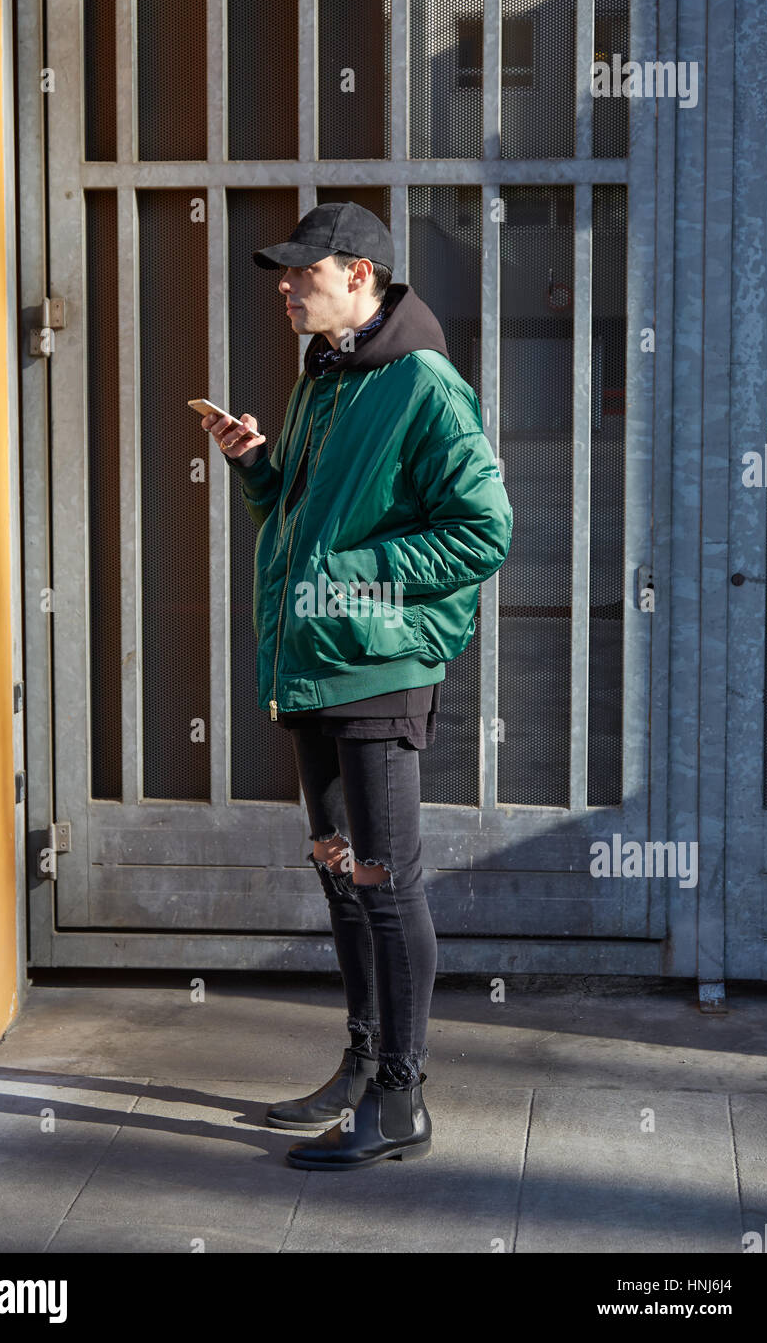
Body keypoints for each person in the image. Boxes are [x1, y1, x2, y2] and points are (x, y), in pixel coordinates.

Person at [199, 201, 512, 1170]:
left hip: (377, 667)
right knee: (340, 873)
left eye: (305, 273)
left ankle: (402, 1096)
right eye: (284, 275)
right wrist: (259, 470)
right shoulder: (325, 379)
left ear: (362, 278)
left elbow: (481, 530)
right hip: (316, 665)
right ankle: (362, 1061)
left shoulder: (423, 385)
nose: (285, 288)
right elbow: (306, 521)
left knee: (384, 884)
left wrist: (347, 581)